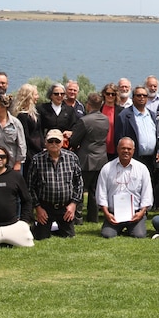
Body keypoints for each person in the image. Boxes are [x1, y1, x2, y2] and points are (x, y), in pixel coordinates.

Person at [27, 129, 84, 240]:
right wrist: (38, 208)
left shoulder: (72, 158)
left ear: (62, 143)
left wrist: (73, 205)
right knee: (41, 236)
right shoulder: (37, 160)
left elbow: (79, 183)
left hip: (65, 207)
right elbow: (30, 186)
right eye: (50, 141)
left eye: (57, 141)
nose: (54, 144)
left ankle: (57, 226)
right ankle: (38, 226)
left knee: (68, 236)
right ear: (45, 143)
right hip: (45, 207)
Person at [97, 137, 153, 239]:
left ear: (133, 150)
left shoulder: (142, 169)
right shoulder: (107, 168)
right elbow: (101, 193)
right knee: (107, 235)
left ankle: (133, 227)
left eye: (129, 149)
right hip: (113, 215)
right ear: (118, 149)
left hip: (135, 214)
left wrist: (141, 212)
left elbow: (147, 193)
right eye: (123, 148)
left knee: (139, 235)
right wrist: (106, 213)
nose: (126, 151)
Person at [69, 92, 110, 224]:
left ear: (88, 105)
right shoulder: (105, 120)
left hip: (86, 158)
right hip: (101, 157)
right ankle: (93, 217)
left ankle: (78, 217)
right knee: (94, 190)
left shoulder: (85, 120)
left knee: (80, 188)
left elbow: (74, 141)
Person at [116, 86, 159, 175]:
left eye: (144, 95)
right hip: (133, 160)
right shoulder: (124, 116)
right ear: (133, 98)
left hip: (151, 160)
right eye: (139, 95)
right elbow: (119, 140)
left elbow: (157, 136)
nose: (142, 98)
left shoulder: (152, 115)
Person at [0, 94, 26, 171]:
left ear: (3, 107)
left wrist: (18, 162)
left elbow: (21, 144)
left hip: (12, 164)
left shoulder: (15, 123)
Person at [13, 84, 44, 169]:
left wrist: (44, 146)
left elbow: (39, 131)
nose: (37, 97)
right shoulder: (22, 115)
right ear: (29, 96)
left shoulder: (35, 113)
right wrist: (37, 148)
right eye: (35, 94)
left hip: (39, 149)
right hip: (30, 151)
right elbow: (26, 136)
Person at [99, 82, 124, 161]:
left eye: (112, 94)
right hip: (100, 148)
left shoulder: (121, 111)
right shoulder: (98, 109)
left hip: (114, 148)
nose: (110, 96)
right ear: (104, 94)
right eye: (108, 93)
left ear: (116, 95)